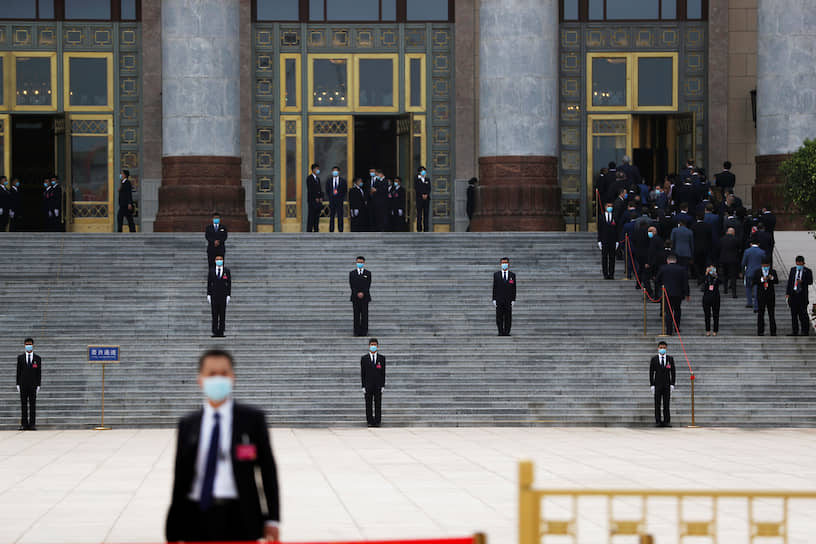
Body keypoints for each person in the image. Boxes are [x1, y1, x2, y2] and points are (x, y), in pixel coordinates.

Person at [165, 349, 280, 543]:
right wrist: (173, 526)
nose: (218, 379)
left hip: (241, 515)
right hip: (197, 514)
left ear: (232, 378)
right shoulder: (188, 425)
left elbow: (268, 472)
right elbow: (180, 478)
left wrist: (273, 519)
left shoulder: (252, 421)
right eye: (211, 374)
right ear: (200, 380)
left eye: (224, 373)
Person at [656, 254, 689, 334]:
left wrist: (661, 287)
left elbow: (657, 280)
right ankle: (677, 328)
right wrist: (687, 294)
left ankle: (669, 330)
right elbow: (685, 282)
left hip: (666, 292)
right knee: (677, 311)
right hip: (678, 293)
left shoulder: (663, 268)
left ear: (667, 261)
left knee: (668, 312)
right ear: (676, 261)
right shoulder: (682, 269)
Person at [16, 338, 41, 431]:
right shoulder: (20, 358)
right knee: (23, 405)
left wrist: (38, 385)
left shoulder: (37, 358)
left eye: (30, 344)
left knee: (32, 405)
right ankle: (24, 424)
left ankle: (32, 424)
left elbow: (39, 372)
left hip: (33, 385)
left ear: (33, 345)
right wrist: (17, 384)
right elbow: (18, 371)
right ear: (24, 345)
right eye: (27, 344)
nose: (28, 346)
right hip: (23, 385)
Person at [360, 339, 386, 427]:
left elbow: (383, 373)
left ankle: (378, 421)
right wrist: (363, 385)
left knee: (378, 404)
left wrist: (383, 385)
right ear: (369, 346)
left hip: (378, 385)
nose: (373, 346)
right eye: (371, 344)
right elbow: (362, 373)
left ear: (377, 346)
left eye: (375, 344)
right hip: (368, 384)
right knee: (369, 404)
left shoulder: (381, 358)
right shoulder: (364, 358)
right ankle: (370, 421)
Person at [649, 342, 676, 427]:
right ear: (658, 348)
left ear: (666, 348)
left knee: (666, 404)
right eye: (661, 347)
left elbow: (673, 371)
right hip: (657, 384)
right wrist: (652, 384)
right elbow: (651, 372)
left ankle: (666, 421)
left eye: (664, 347)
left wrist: (672, 383)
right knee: (657, 404)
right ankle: (658, 421)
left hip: (667, 384)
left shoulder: (670, 359)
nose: (662, 349)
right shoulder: (654, 359)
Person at [786, 256, 813, 336]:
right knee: (794, 315)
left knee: (803, 315)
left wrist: (803, 281)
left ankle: (805, 331)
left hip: (802, 296)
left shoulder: (807, 271)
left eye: (800, 264)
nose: (799, 265)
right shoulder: (793, 270)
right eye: (797, 263)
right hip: (793, 295)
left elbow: (810, 281)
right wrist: (787, 293)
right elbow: (790, 282)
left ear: (803, 263)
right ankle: (795, 331)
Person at [207, 256, 231, 338]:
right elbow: (209, 283)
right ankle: (214, 331)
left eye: (220, 260)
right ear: (215, 261)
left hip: (223, 295)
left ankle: (221, 331)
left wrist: (228, 295)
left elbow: (229, 284)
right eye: (217, 259)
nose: (219, 261)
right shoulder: (211, 271)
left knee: (222, 314)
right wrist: (208, 294)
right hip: (214, 295)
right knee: (214, 314)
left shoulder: (226, 271)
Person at [753, 259, 778, 336]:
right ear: (762, 265)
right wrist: (762, 279)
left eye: (767, 266)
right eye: (764, 266)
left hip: (770, 296)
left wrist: (771, 278)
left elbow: (776, 281)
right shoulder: (758, 272)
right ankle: (760, 331)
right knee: (760, 314)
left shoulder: (773, 271)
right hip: (761, 295)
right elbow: (754, 281)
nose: (766, 267)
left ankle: (773, 331)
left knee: (771, 314)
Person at [492, 257, 516, 336]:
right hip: (499, 299)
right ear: (500, 264)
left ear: (508, 264)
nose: (504, 264)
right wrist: (494, 299)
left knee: (508, 316)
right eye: (502, 263)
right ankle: (500, 331)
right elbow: (494, 287)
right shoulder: (496, 275)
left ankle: (507, 331)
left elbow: (514, 288)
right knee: (499, 316)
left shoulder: (512, 275)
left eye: (505, 263)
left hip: (508, 299)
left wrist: (513, 299)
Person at [349, 256, 372, 337]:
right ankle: (356, 331)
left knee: (365, 315)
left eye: (361, 262)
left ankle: (364, 331)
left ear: (364, 263)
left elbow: (368, 285)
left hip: (365, 297)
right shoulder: (352, 273)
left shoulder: (368, 273)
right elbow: (352, 285)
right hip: (355, 297)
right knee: (356, 315)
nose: (360, 264)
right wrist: (357, 293)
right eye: (358, 262)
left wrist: (363, 293)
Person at [742, 241, 765, 312]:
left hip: (749, 271)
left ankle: (749, 302)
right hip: (758, 273)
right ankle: (756, 306)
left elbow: (743, 262)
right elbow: (764, 262)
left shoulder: (747, 251)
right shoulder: (762, 252)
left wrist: (743, 271)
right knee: (756, 289)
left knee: (748, 287)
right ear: (759, 243)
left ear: (751, 243)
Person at [598, 202, 619, 279]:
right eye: (608, 206)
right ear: (605, 207)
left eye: (611, 206)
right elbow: (599, 229)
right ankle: (605, 274)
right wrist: (599, 240)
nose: (610, 207)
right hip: (604, 240)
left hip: (613, 240)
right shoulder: (601, 217)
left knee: (612, 258)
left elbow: (617, 229)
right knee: (604, 258)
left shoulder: (615, 216)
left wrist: (617, 241)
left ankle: (611, 274)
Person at [718, 227, 740, 298]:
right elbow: (738, 249)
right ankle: (734, 293)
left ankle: (725, 289)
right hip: (733, 260)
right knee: (733, 277)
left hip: (724, 259)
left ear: (727, 232)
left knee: (725, 275)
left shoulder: (722, 239)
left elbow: (719, 249)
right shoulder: (736, 240)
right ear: (733, 233)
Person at [701, 265, 721, 336]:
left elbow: (721, 281)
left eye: (713, 269)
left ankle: (715, 330)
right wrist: (706, 273)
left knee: (716, 315)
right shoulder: (706, 277)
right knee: (707, 315)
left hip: (715, 298)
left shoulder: (716, 277)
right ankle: (708, 330)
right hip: (707, 298)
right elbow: (701, 281)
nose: (711, 270)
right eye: (710, 269)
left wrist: (716, 275)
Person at [326, 166, 346, 233]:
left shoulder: (342, 181)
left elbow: (344, 191)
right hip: (332, 200)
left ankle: (340, 229)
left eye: (336, 171)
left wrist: (341, 198)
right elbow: (327, 190)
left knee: (340, 216)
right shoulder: (329, 181)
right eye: (333, 171)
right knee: (332, 216)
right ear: (332, 172)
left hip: (339, 201)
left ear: (339, 172)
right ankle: (331, 230)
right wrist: (330, 197)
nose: (335, 172)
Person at [305, 163, 323, 233]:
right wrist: (315, 197)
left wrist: (321, 197)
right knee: (311, 216)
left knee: (317, 216)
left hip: (318, 201)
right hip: (312, 200)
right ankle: (309, 230)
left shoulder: (318, 179)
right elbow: (310, 189)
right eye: (317, 169)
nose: (318, 170)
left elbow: (319, 189)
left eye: (318, 169)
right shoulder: (309, 178)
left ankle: (316, 229)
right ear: (313, 170)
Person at [414, 166, 431, 232]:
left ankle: (426, 229)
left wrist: (426, 194)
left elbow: (429, 188)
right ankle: (419, 228)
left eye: (424, 171)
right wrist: (422, 194)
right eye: (422, 171)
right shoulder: (416, 180)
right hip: (419, 199)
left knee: (426, 214)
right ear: (419, 172)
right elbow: (417, 188)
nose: (424, 172)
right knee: (419, 214)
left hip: (426, 199)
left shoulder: (427, 179)